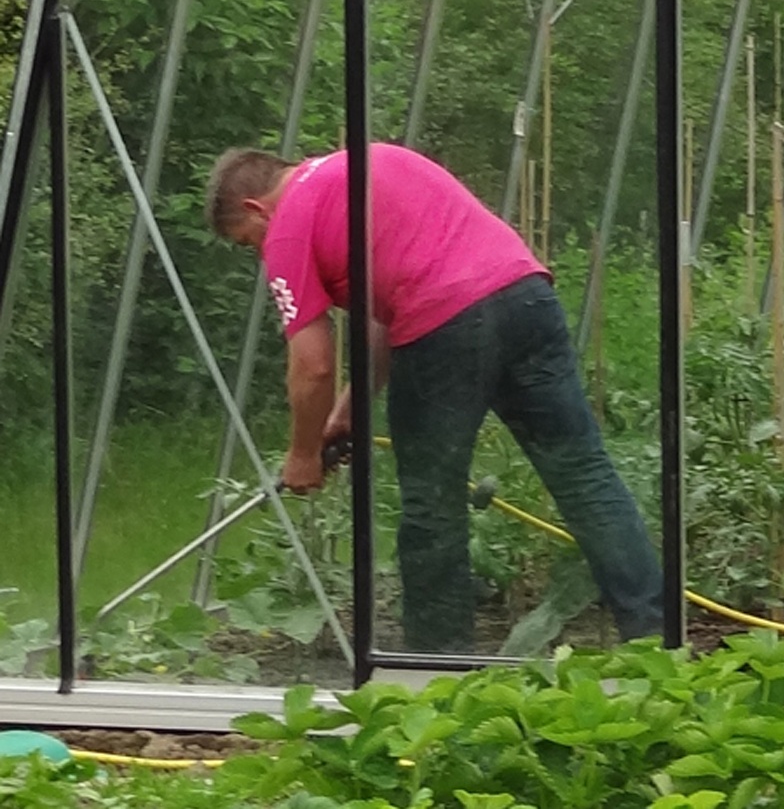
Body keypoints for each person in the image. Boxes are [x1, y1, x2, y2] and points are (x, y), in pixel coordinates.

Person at [204, 142, 663, 653]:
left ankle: (439, 667)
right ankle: (655, 640)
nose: (260, 253)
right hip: (525, 297)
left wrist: (303, 454)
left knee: (432, 503)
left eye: (249, 243)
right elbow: (397, 302)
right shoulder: (371, 159)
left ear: (254, 208)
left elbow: (313, 365)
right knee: (584, 475)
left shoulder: (288, 222)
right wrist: (355, 404)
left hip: (448, 329)